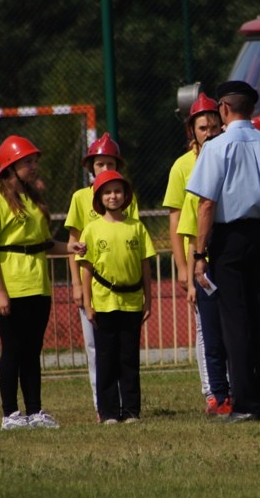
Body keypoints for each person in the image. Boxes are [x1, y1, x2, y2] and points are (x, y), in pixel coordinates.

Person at [186, 80, 260, 423]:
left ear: (224, 110)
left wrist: (199, 255)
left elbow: (206, 203)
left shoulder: (216, 148)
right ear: (252, 108)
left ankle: (244, 403)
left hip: (229, 239)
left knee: (235, 321)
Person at [0, 135, 86, 430]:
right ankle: (11, 415)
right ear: (10, 166)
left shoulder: (33, 199)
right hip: (11, 288)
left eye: (35, 161)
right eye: (28, 162)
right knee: (12, 349)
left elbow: (42, 244)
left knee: (32, 350)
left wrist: (70, 248)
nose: (34, 166)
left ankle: (35, 411)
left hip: (38, 286)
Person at [64, 133, 138, 418]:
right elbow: (74, 245)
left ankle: (125, 403)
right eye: (99, 165)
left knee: (123, 348)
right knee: (96, 346)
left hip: (121, 289)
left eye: (110, 163)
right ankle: (102, 404)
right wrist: (77, 286)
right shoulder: (81, 198)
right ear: (90, 168)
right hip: (91, 283)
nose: (105, 170)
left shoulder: (126, 196)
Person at [162, 92, 226, 414]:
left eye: (215, 125)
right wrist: (183, 269)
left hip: (225, 251)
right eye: (203, 127)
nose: (210, 132)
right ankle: (210, 390)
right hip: (196, 255)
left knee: (228, 323)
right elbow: (177, 221)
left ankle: (231, 385)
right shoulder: (181, 166)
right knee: (205, 327)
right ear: (192, 130)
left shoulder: (228, 154)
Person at [77, 170, 154, 424]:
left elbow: (145, 265)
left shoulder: (137, 227)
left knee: (129, 358)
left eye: (118, 191)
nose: (113, 196)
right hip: (103, 303)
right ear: (99, 198)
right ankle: (109, 412)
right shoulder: (91, 230)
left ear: (126, 195)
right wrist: (87, 304)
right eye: (107, 192)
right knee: (106, 358)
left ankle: (131, 411)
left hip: (131, 302)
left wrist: (148, 299)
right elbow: (86, 269)